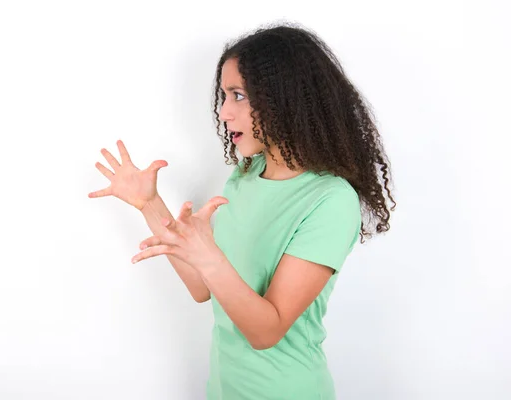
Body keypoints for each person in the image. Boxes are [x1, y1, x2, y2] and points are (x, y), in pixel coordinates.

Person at [88, 22, 396, 400]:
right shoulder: (246, 175)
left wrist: (210, 257)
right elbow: (204, 287)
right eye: (224, 96)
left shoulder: (330, 200)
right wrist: (149, 203)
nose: (224, 113)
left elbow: (267, 330)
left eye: (238, 96)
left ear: (285, 98)